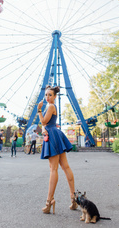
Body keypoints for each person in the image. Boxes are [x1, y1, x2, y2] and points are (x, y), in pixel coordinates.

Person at [38, 85, 78, 214]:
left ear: (55, 96)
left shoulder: (50, 106)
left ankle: (49, 201)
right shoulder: (51, 107)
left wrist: (39, 110)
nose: (47, 97)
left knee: (53, 169)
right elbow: (46, 125)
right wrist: (44, 128)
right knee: (65, 167)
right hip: (54, 133)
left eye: (50, 95)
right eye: (46, 95)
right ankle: (73, 198)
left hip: (53, 136)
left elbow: (44, 121)